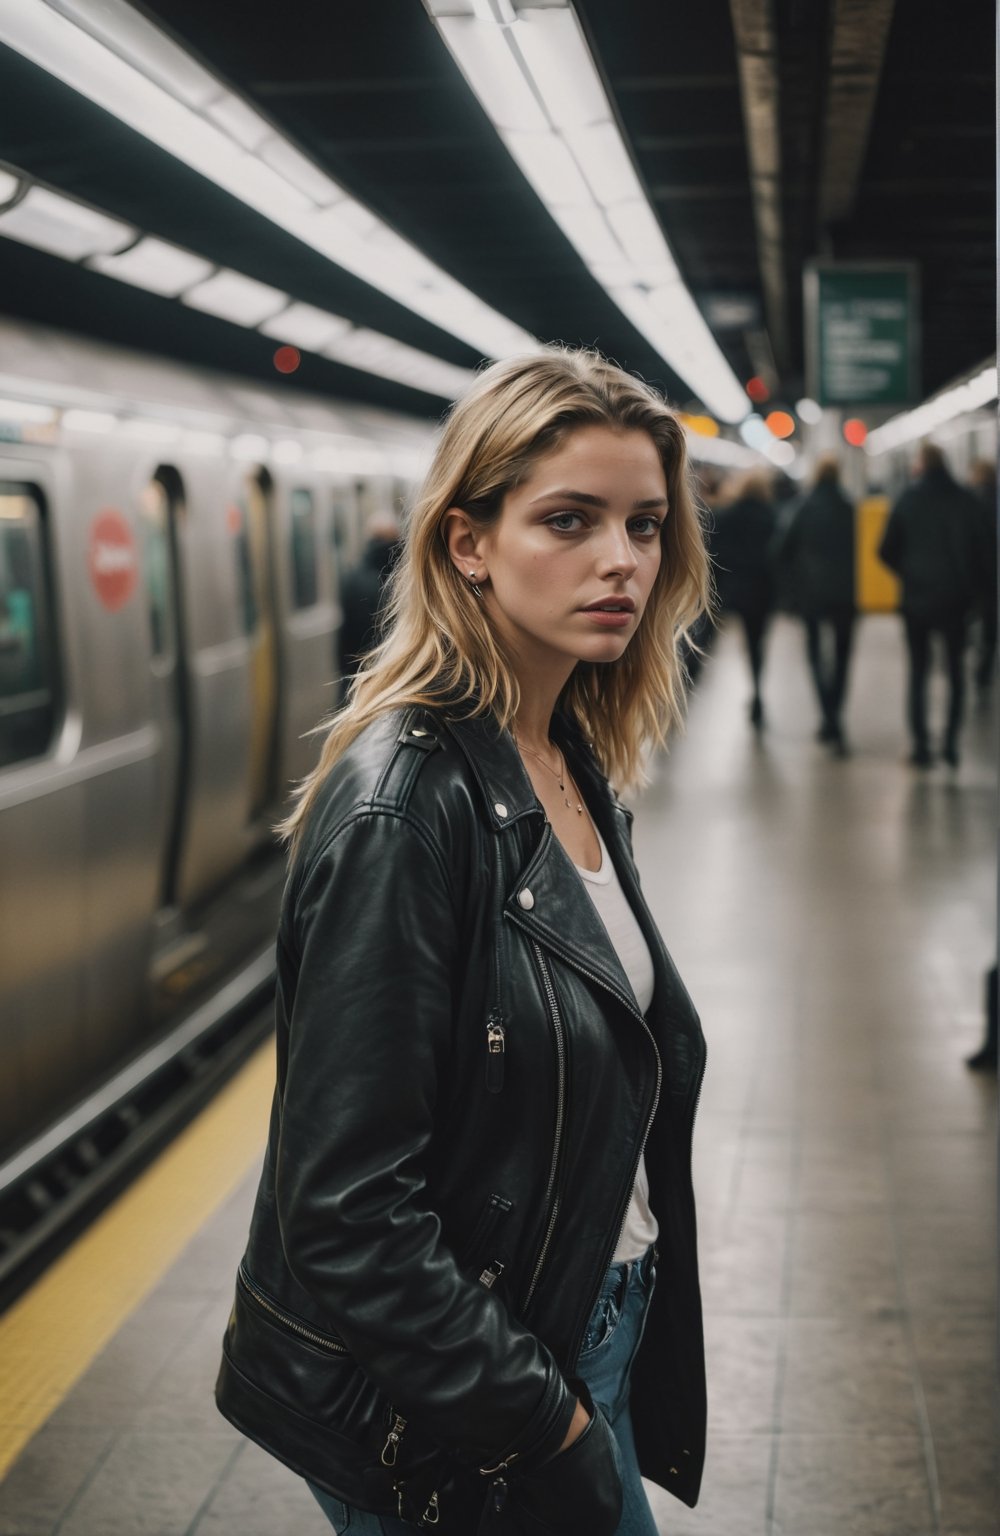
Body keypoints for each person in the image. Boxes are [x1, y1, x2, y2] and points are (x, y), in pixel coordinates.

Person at [215, 349, 710, 1536]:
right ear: (465, 542)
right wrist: (549, 1423)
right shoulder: (407, 805)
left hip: (569, 1325)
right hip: (470, 1391)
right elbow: (342, 1208)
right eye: (568, 520)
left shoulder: (563, 754)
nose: (620, 561)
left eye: (644, 525)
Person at [878, 441, 985, 767]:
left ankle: (922, 747)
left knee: (919, 671)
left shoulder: (908, 500)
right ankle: (951, 744)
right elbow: (983, 553)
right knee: (955, 672)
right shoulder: (968, 501)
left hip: (917, 600)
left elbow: (885, 550)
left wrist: (907, 574)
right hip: (957, 600)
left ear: (921, 465)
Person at [773, 453, 856, 754]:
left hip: (812, 592)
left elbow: (780, 550)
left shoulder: (802, 508)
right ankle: (835, 712)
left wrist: (790, 590)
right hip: (848, 594)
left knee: (815, 654)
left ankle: (828, 715)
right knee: (843, 655)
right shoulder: (851, 509)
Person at [709, 468, 777, 727]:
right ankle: (758, 689)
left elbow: (716, 552)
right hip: (765, 589)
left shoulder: (728, 515)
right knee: (759, 640)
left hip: (737, 587)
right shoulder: (771, 515)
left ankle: (755, 690)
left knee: (746, 640)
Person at [338, 511, 401, 679]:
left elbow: (346, 636)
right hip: (394, 672)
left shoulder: (353, 577)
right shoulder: (404, 577)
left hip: (358, 673)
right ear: (396, 535)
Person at [967, 460, 997, 693]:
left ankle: (982, 669)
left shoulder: (973, 503)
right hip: (992, 572)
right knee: (990, 625)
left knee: (980, 619)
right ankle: (985, 669)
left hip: (980, 575)